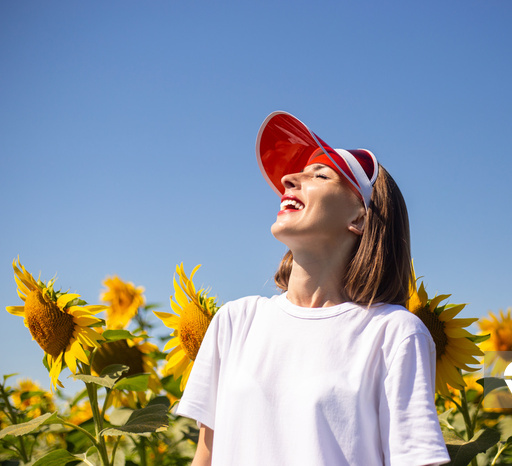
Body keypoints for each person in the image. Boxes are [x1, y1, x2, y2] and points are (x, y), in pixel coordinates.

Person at [176, 111, 450, 465]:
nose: (289, 178)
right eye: (296, 174)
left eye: (320, 174)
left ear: (360, 218)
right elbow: (206, 457)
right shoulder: (235, 321)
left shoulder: (393, 333)